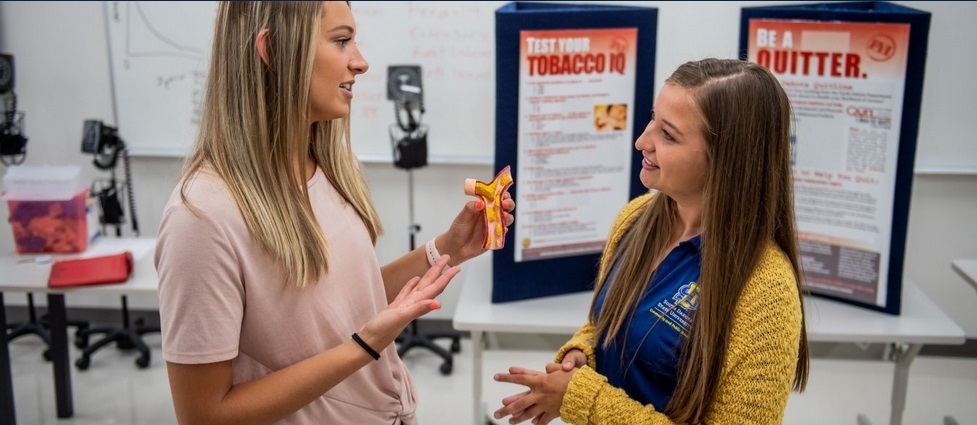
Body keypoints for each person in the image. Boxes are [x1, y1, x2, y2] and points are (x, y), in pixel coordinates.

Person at [154, 2, 513, 424]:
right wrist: (364, 346)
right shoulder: (202, 218)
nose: (360, 62)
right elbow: (204, 416)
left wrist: (447, 248)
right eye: (341, 41)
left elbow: (343, 303)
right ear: (272, 50)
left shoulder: (330, 167)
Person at [493, 58, 809, 425]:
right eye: (652, 119)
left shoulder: (766, 291)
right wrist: (581, 355)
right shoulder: (636, 220)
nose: (643, 141)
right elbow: (607, 324)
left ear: (727, 159)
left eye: (668, 134)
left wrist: (580, 396)